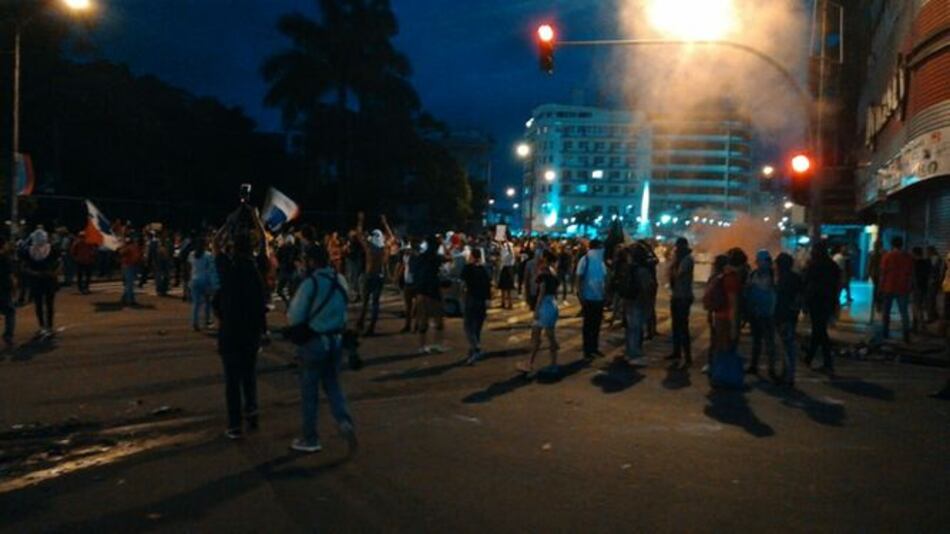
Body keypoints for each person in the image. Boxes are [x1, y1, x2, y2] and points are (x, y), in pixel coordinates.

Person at [287, 244, 356, 454]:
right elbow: (347, 306)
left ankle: (310, 438)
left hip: (314, 342)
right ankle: (345, 422)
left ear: (311, 262)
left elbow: (295, 316)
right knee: (334, 385)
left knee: (310, 392)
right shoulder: (341, 280)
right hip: (336, 339)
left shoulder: (311, 283)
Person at [214, 233, 267, 440]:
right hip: (251, 333)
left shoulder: (228, 271)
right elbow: (264, 245)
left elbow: (216, 245)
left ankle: (235, 425)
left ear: (233, 250)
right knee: (249, 375)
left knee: (232, 381)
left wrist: (228, 223)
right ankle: (252, 412)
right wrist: (256, 221)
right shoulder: (256, 273)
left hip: (230, 332)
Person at [517, 251, 560, 374]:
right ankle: (539, 363)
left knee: (544, 336)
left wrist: (536, 309)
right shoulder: (553, 273)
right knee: (542, 335)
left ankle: (549, 365)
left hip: (544, 305)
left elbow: (541, 293)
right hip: (552, 304)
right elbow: (555, 292)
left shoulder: (543, 274)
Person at [804, 242, 841, 373]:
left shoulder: (814, 265)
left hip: (817, 301)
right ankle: (810, 358)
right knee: (818, 330)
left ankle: (827, 362)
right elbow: (837, 285)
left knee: (819, 331)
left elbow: (807, 282)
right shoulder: (833, 266)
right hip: (828, 302)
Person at [356, 213, 394, 336]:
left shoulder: (369, 247)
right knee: (375, 303)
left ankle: (362, 321)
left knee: (366, 301)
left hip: (369, 276)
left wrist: (360, 220)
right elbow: (391, 237)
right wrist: (385, 223)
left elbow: (359, 235)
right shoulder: (384, 248)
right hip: (379, 276)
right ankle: (370, 325)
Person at [22, 229, 60, 339]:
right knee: (48, 304)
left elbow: (24, 267)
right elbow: (59, 263)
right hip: (48, 280)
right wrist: (53, 273)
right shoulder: (52, 249)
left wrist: (34, 273)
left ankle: (43, 326)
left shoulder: (29, 251)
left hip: (37, 280)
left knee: (40, 304)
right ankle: (48, 326)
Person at [745, 250, 777, 379]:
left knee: (769, 342)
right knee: (757, 341)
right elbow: (749, 290)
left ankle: (771, 369)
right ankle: (754, 365)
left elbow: (775, 294)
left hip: (768, 313)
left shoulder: (773, 275)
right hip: (756, 312)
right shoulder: (753, 274)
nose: (759, 263)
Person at [774, 252, 803, 386]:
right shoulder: (796, 278)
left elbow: (780, 299)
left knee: (786, 346)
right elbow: (799, 297)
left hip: (783, 316)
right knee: (787, 345)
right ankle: (787, 373)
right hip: (791, 316)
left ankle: (788, 375)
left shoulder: (783, 279)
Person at [413, 235, 446, 354]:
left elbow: (415, 272)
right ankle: (437, 344)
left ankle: (422, 346)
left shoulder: (420, 257)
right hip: (433, 290)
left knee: (423, 319)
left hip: (421, 290)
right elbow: (448, 259)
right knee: (439, 319)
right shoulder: (437, 258)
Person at [622, 245, 653, 367]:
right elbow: (646, 288)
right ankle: (634, 355)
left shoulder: (629, 268)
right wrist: (648, 303)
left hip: (629, 300)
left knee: (631, 329)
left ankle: (629, 352)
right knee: (636, 329)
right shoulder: (642, 271)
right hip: (638, 302)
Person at [575, 239, 606, 359]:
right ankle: (587, 350)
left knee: (596, 324)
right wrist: (580, 294)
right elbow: (578, 278)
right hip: (588, 297)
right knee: (588, 325)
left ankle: (594, 348)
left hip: (599, 297)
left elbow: (604, 278)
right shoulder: (585, 260)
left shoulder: (600, 262)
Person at [880, 236, 914, 343]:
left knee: (886, 311)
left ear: (892, 244)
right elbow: (911, 274)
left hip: (888, 286)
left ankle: (885, 333)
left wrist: (880, 287)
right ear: (902, 244)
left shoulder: (887, 256)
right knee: (904, 312)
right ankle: (906, 335)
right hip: (903, 287)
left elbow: (883, 273)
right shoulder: (908, 257)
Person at [667, 237, 695, 368]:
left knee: (683, 327)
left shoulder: (687, 260)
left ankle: (687, 356)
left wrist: (673, 265)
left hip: (684, 296)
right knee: (675, 326)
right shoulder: (679, 259)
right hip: (676, 295)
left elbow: (677, 274)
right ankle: (676, 352)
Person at [461, 248, 491, 365]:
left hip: (471, 299)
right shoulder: (484, 269)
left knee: (468, 326)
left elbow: (463, 285)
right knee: (477, 327)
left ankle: (476, 347)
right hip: (482, 301)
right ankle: (474, 352)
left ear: (472, 256)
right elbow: (488, 285)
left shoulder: (467, 268)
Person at [188, 238, 216, 331]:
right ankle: (207, 320)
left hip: (194, 279)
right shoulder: (208, 255)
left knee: (196, 303)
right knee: (207, 302)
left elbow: (189, 266)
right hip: (204, 279)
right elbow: (211, 270)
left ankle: (195, 322)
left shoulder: (192, 254)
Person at [0, 236, 15, 349]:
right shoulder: (5, 258)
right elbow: (10, 275)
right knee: (10, 312)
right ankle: (8, 335)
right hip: (4, 287)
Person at [118, 236, 142, 306]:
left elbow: (120, 253)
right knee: (129, 284)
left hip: (127, 266)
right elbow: (136, 257)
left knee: (128, 284)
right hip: (130, 266)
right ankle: (129, 300)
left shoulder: (128, 247)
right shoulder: (133, 247)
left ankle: (126, 299)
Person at [911, 246, 930, 333]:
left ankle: (917, 326)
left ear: (915, 253)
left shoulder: (916, 263)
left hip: (917, 288)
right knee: (920, 307)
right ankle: (920, 326)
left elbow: (915, 277)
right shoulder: (926, 262)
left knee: (916, 307)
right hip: (924, 287)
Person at [867, 239, 883, 323]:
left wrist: (869, 273)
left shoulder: (873, 253)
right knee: (879, 290)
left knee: (877, 289)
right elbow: (870, 264)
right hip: (878, 274)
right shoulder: (882, 253)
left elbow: (870, 264)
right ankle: (878, 305)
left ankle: (878, 304)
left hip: (876, 274)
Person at [498, 240, 516, 309]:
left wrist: (507, 242)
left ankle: (510, 304)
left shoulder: (511, 254)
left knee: (508, 289)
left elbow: (510, 250)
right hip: (504, 269)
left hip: (508, 270)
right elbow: (501, 248)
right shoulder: (504, 253)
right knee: (503, 288)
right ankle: (503, 303)